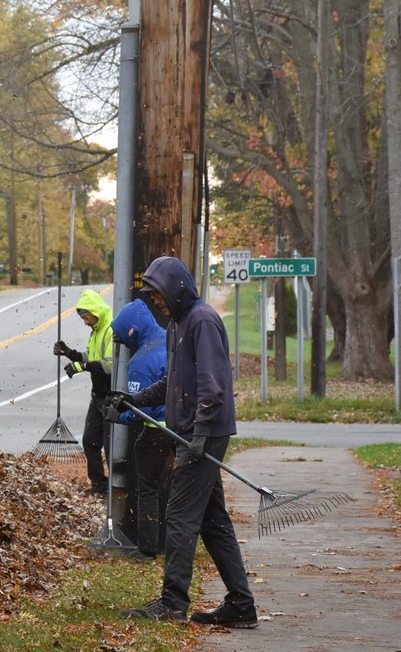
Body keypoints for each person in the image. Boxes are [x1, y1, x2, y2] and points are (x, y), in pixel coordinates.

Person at [108, 256, 258, 628]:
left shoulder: (202, 321)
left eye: (157, 294)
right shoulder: (177, 324)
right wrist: (133, 399)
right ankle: (241, 605)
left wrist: (201, 435)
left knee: (178, 515)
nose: (155, 302)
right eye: (152, 297)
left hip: (203, 434)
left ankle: (173, 603)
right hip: (194, 431)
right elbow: (173, 383)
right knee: (213, 521)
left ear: (174, 289)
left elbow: (212, 385)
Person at [108, 298, 172, 560]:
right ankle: (173, 542)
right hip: (183, 427)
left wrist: (117, 415)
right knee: (176, 489)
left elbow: (140, 411)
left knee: (148, 489)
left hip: (156, 431)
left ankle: (147, 548)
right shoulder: (170, 338)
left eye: (123, 337)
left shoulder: (140, 362)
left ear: (132, 332)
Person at [53, 289, 113, 493]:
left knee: (110, 445)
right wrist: (69, 353)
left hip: (110, 395)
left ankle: (117, 488)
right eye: (83, 318)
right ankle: (99, 484)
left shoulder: (110, 329)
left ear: (95, 311)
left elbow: (109, 365)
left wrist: (82, 367)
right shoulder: (96, 329)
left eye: (86, 317)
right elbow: (89, 356)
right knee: (90, 441)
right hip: (97, 396)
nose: (85, 322)